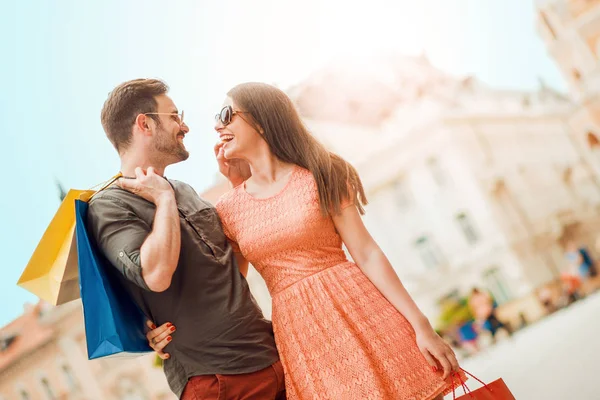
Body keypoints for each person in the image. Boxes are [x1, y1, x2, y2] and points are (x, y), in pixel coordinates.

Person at [149, 82, 462, 399]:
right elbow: (229, 290)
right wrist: (165, 327)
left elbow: (367, 253)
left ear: (260, 119)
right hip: (303, 340)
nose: (218, 125)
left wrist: (421, 325)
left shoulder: (324, 172)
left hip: (364, 313)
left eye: (227, 115)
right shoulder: (229, 209)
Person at [87, 79, 284, 400]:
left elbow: (231, 269)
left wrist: (239, 188)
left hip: (272, 356)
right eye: (175, 116)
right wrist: (163, 201)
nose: (185, 126)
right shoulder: (109, 205)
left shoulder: (186, 191)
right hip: (217, 381)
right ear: (145, 123)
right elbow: (155, 274)